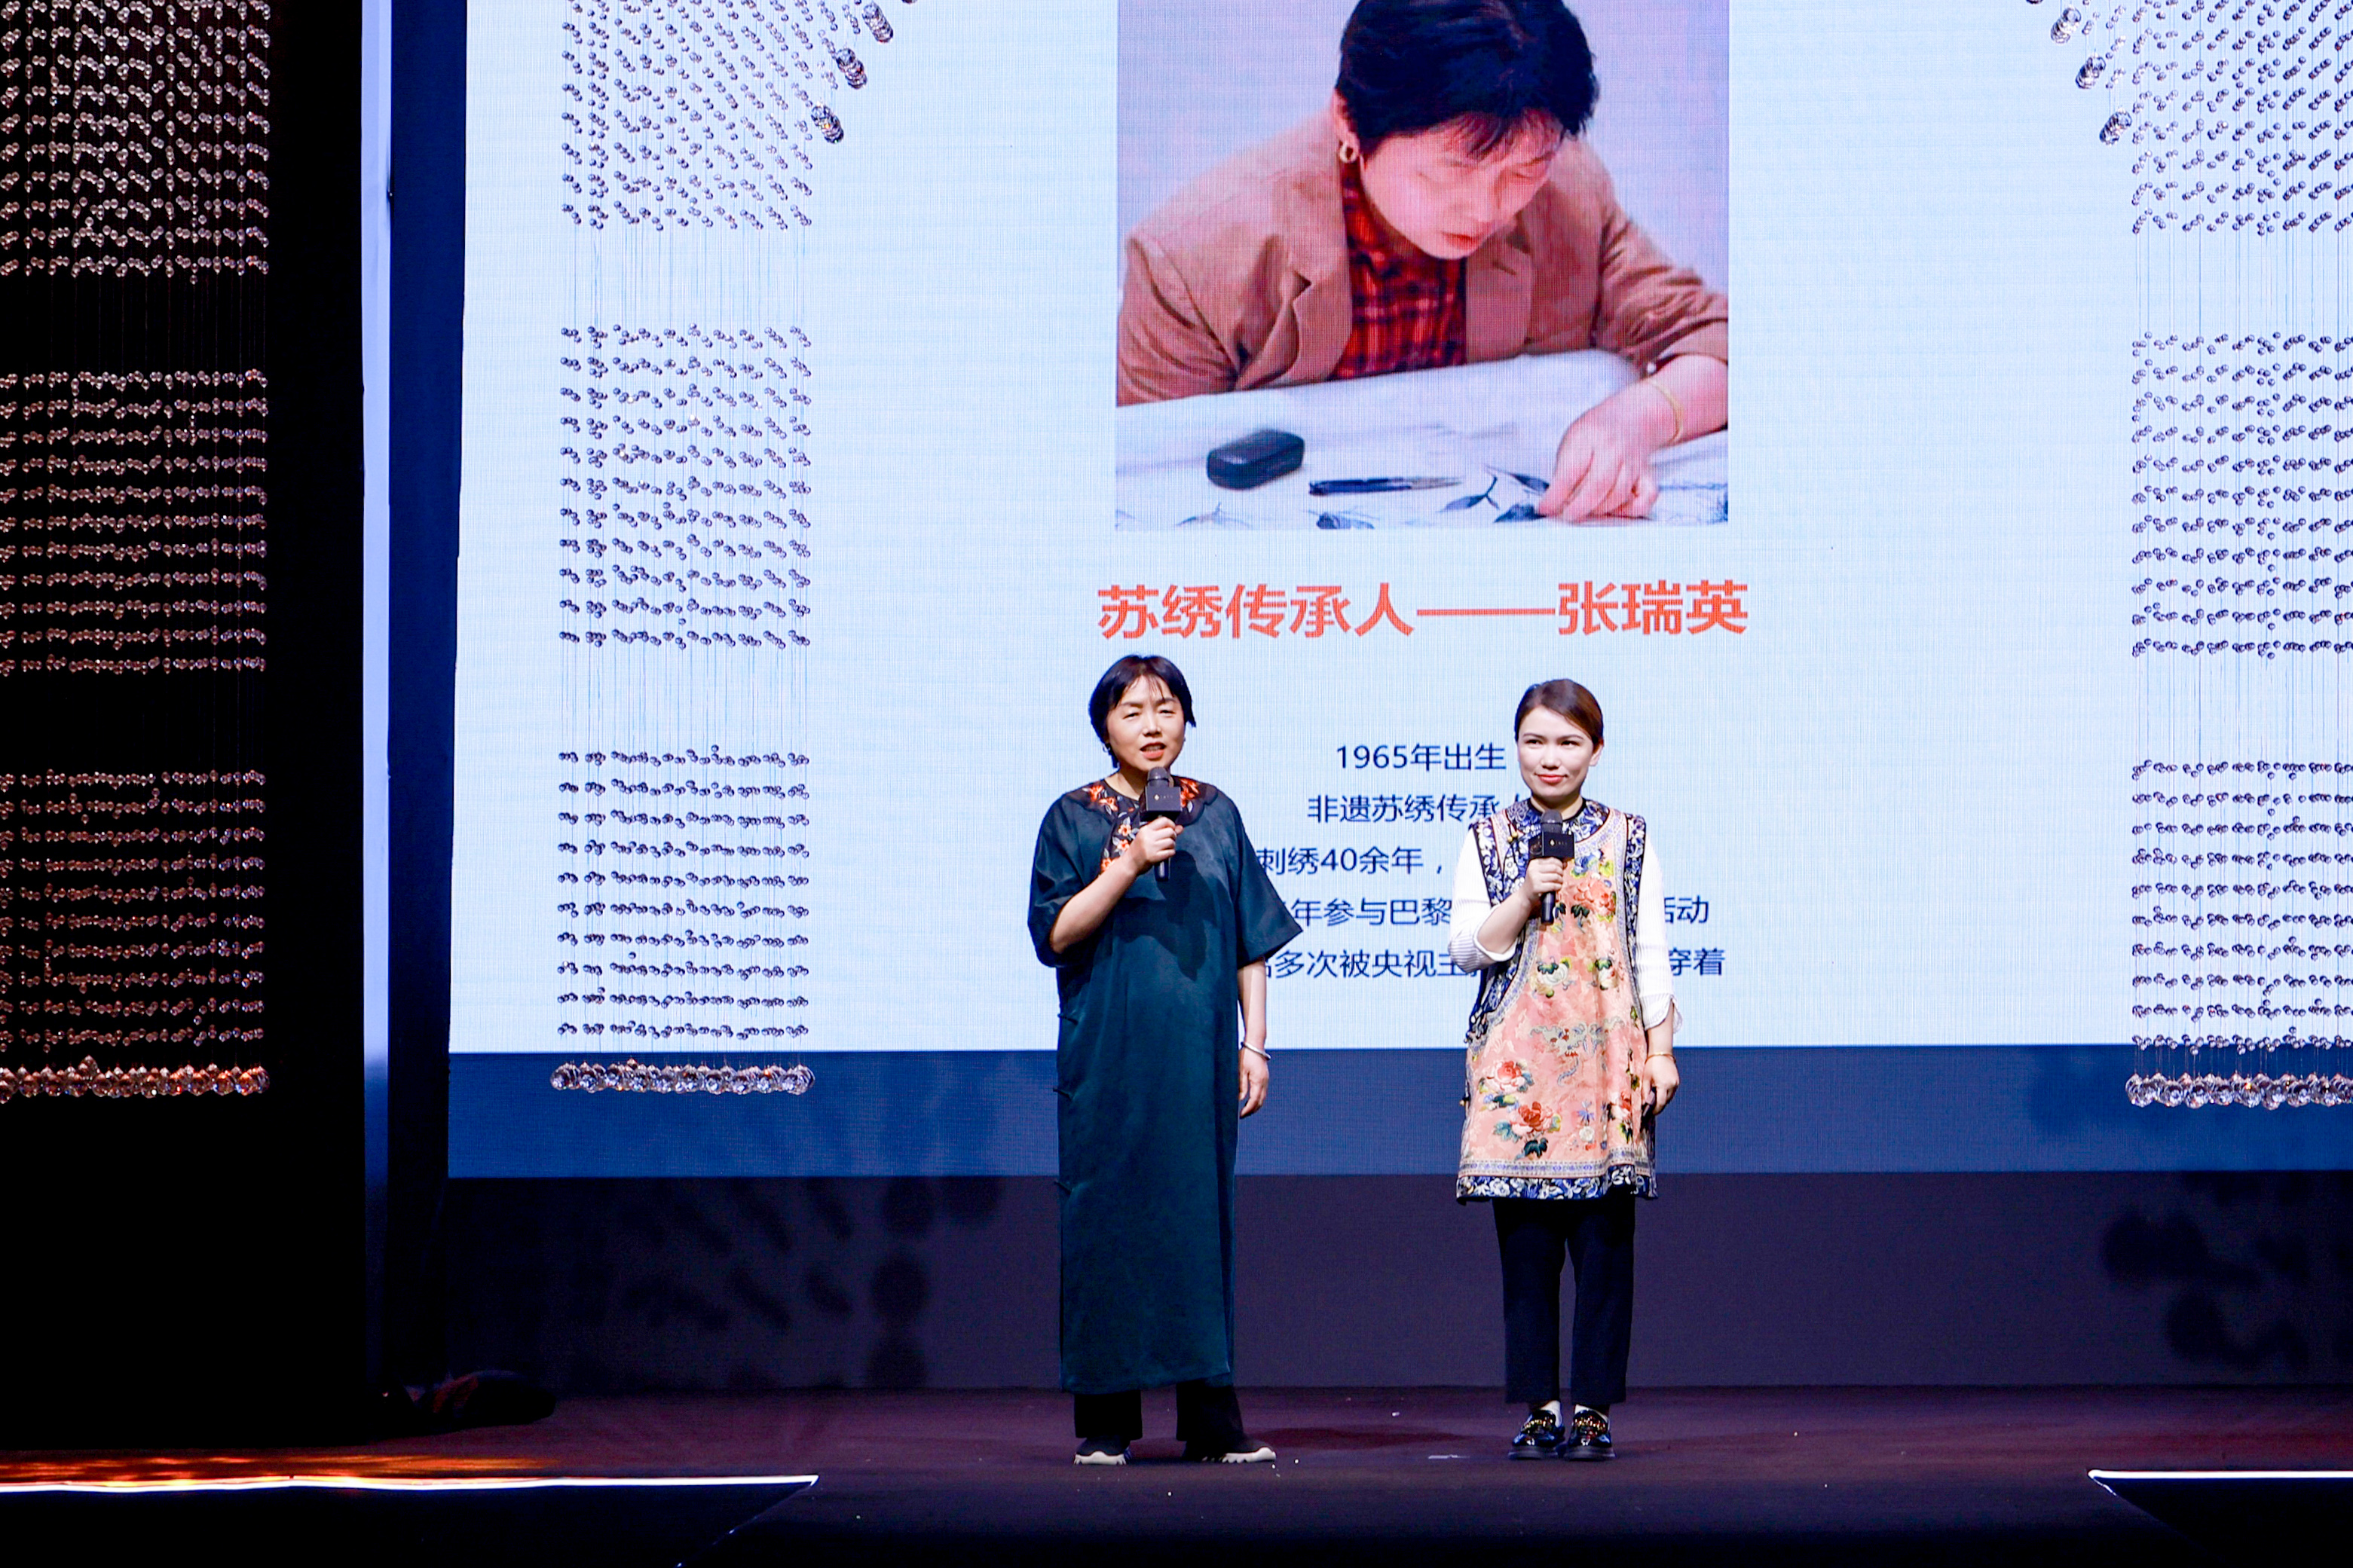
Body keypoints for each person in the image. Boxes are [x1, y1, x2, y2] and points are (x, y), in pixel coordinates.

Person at [1118, 0, 1727, 523]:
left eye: (1523, 171)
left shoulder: (1568, 198)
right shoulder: (1197, 258)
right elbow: (1144, 486)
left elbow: (1722, 343)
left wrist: (1635, 420)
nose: (1488, 210)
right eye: (1450, 172)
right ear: (1349, 122)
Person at [1027, 655, 1302, 1466]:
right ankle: (1106, 1418)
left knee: (1196, 1223)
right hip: (1107, 1055)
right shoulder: (1073, 817)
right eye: (1133, 711)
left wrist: (1255, 1041)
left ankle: (1211, 1418)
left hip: (1199, 1056)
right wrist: (1126, 863)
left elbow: (1252, 938)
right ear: (1103, 725)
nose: (1153, 725)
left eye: (1167, 707)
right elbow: (1056, 934)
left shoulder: (1214, 812)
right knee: (1107, 1222)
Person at [1446, 679, 1678, 1459]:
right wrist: (1523, 893)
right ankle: (1541, 1406)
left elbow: (1648, 950)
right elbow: (1467, 948)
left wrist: (1661, 1049)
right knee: (1527, 1254)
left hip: (1609, 1063)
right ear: (1516, 746)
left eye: (1568, 742)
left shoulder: (1628, 837)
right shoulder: (1486, 837)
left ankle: (1594, 1410)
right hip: (1518, 1067)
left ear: (1595, 751)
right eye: (1535, 741)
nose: (1550, 757)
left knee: (1606, 1249)